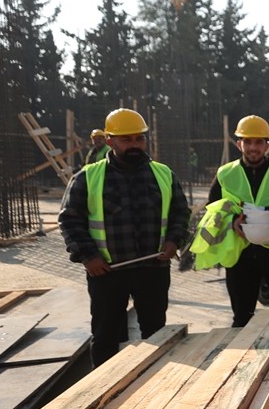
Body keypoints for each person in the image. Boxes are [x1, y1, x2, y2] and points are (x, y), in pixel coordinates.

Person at [59, 108, 190, 366]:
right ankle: (102, 394)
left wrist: (174, 241)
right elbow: (70, 220)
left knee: (156, 334)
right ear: (110, 141)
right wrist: (88, 256)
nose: (134, 145)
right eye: (126, 140)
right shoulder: (88, 177)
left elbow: (180, 213)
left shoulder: (163, 174)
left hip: (153, 269)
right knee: (106, 336)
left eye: (139, 139)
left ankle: (155, 387)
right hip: (107, 272)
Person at [206, 114, 269, 327]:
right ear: (239, 144)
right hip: (240, 252)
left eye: (259, 142)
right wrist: (233, 221)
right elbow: (213, 210)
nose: (253, 147)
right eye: (248, 142)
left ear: (267, 145)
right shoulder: (225, 174)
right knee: (242, 316)